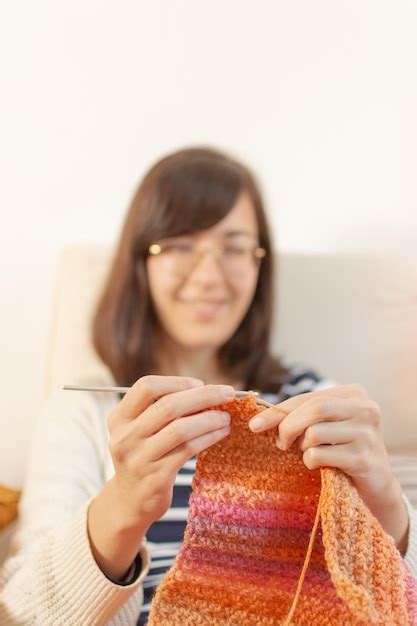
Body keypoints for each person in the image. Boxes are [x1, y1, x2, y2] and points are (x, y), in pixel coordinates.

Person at [1, 147, 416, 625]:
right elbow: (23, 616)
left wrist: (386, 503)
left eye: (235, 246)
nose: (209, 274)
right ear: (142, 261)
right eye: (179, 244)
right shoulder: (86, 410)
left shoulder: (317, 404)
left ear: (259, 265)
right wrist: (124, 506)